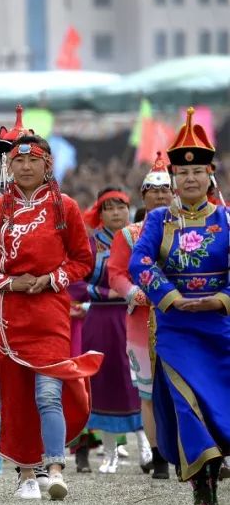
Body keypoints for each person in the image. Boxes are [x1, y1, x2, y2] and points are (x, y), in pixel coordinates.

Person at [0, 133, 102, 502]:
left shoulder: (65, 207)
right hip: (8, 314)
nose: (25, 166)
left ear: (47, 164)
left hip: (50, 311)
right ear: (9, 166)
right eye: (17, 161)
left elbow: (84, 260)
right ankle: (25, 474)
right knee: (18, 394)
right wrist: (7, 281)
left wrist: (51, 279)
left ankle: (53, 467)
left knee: (49, 391)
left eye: (32, 160)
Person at [128, 107, 229, 505]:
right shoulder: (158, 219)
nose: (190, 178)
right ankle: (202, 488)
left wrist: (220, 299)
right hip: (174, 326)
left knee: (217, 406)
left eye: (198, 172)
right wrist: (170, 296)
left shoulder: (226, 220)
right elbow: (140, 263)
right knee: (187, 404)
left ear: (209, 176)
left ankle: (215, 467)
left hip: (218, 327)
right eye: (183, 173)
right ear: (174, 178)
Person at [106, 152, 174, 479]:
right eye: (154, 190)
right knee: (147, 393)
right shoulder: (129, 235)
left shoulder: (189, 230)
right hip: (141, 321)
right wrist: (133, 292)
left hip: (180, 317)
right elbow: (116, 273)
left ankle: (191, 454)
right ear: (144, 194)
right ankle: (159, 456)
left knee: (185, 388)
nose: (161, 195)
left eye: (166, 190)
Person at [79, 186, 144, 475]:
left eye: (121, 207)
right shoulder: (91, 245)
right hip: (102, 320)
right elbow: (75, 282)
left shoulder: (140, 238)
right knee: (103, 381)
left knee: (138, 378)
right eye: (109, 208)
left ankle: (146, 447)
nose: (116, 213)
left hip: (135, 316)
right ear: (101, 213)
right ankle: (109, 453)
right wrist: (106, 293)